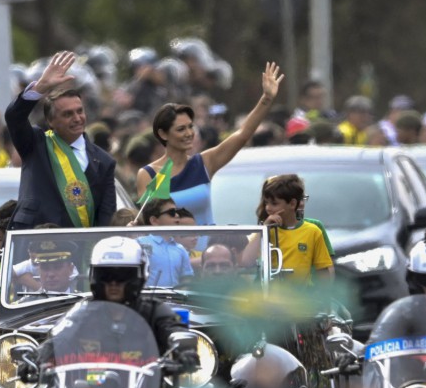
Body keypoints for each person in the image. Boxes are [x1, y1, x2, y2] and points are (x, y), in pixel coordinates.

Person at [136, 62, 284, 226]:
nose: (189, 134)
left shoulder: (204, 163)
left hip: (209, 251)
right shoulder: (148, 175)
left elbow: (242, 135)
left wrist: (267, 98)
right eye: (180, 129)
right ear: (163, 134)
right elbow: (147, 222)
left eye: (190, 127)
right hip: (169, 251)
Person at [5, 50, 117, 230]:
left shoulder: (104, 161)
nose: (77, 118)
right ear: (50, 121)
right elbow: (14, 117)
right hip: (35, 242)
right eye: (67, 114)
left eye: (79, 111)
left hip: (79, 247)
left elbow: (106, 215)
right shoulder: (35, 144)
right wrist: (40, 88)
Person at [84, 236, 195, 357]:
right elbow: (62, 337)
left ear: (139, 276)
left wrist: (186, 350)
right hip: (91, 375)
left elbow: (173, 329)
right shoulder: (84, 313)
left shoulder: (153, 311)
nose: (113, 283)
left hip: (147, 374)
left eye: (122, 276)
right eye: (105, 276)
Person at [241, 174, 333, 285]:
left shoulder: (313, 231)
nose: (268, 208)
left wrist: (322, 297)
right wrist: (264, 229)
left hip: (301, 299)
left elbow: (324, 271)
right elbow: (246, 262)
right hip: (268, 299)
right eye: (266, 203)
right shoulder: (264, 231)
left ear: (292, 204)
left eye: (274, 203)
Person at [137, 198, 193, 288]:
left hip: (175, 300)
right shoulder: (139, 244)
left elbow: (186, 280)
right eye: (172, 212)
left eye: (177, 211)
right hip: (148, 300)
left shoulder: (180, 249)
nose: (177, 215)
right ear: (154, 221)